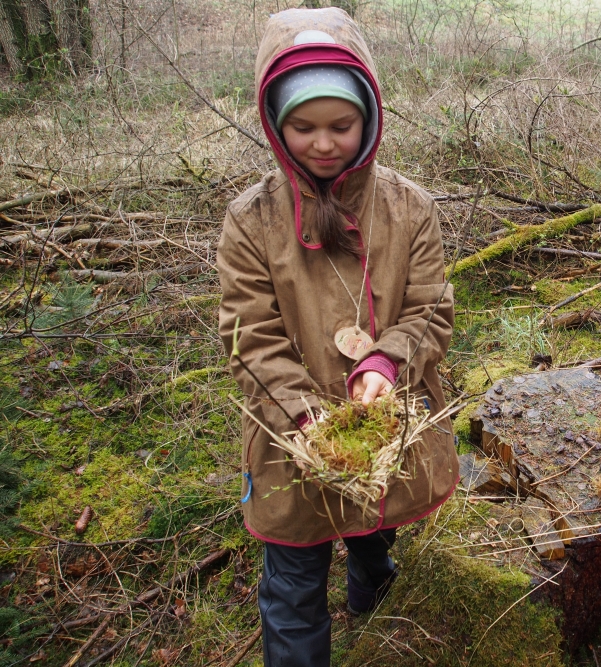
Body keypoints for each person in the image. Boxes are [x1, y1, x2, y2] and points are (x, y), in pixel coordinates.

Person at [216, 8, 459, 665]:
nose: (324, 143)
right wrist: (303, 415)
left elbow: (434, 310)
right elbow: (248, 334)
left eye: (341, 126)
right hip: (289, 439)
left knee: (376, 536)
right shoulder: (252, 220)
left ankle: (375, 621)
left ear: (370, 118)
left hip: (386, 430)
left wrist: (387, 358)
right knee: (293, 585)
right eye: (303, 127)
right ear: (274, 123)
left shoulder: (410, 210)